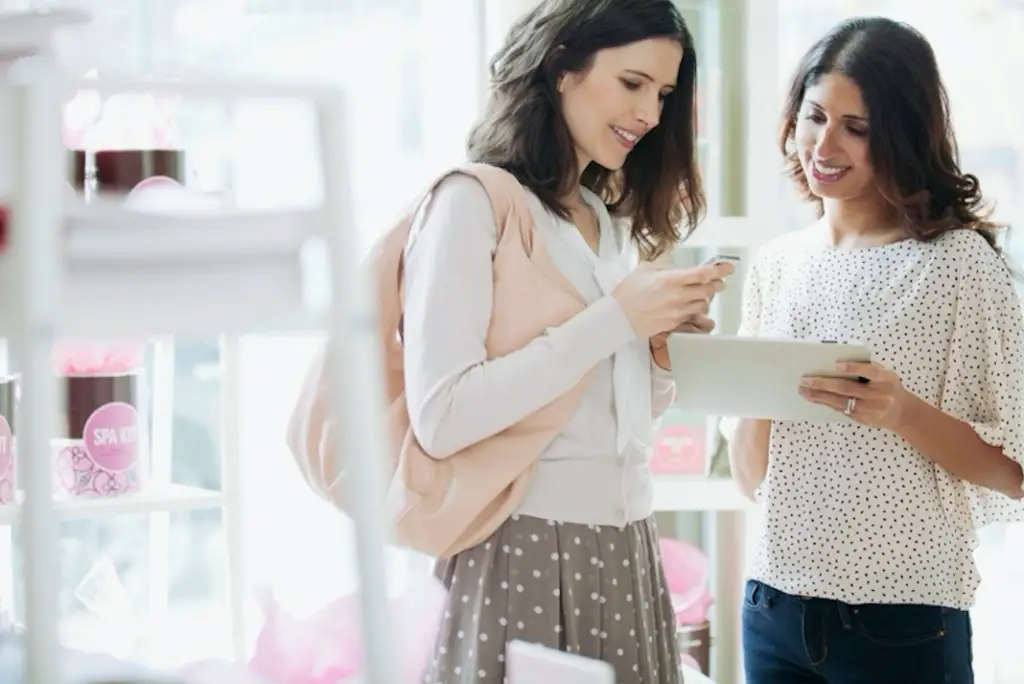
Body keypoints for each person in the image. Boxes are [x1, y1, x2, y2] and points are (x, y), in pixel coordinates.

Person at [403, 1, 733, 681]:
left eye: (664, 95)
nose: (649, 114)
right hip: (524, 544)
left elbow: (606, 420)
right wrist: (616, 319)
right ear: (561, 68)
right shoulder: (473, 201)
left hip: (628, 545)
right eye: (632, 83)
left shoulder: (602, 222)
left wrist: (657, 357)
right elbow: (440, 416)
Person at [726, 16, 1024, 684]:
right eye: (814, 116)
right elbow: (752, 482)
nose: (823, 144)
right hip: (773, 608)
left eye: (855, 128)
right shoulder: (777, 265)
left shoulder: (958, 267)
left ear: (900, 135)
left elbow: (1015, 469)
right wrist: (753, 388)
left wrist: (902, 413)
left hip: (903, 620)